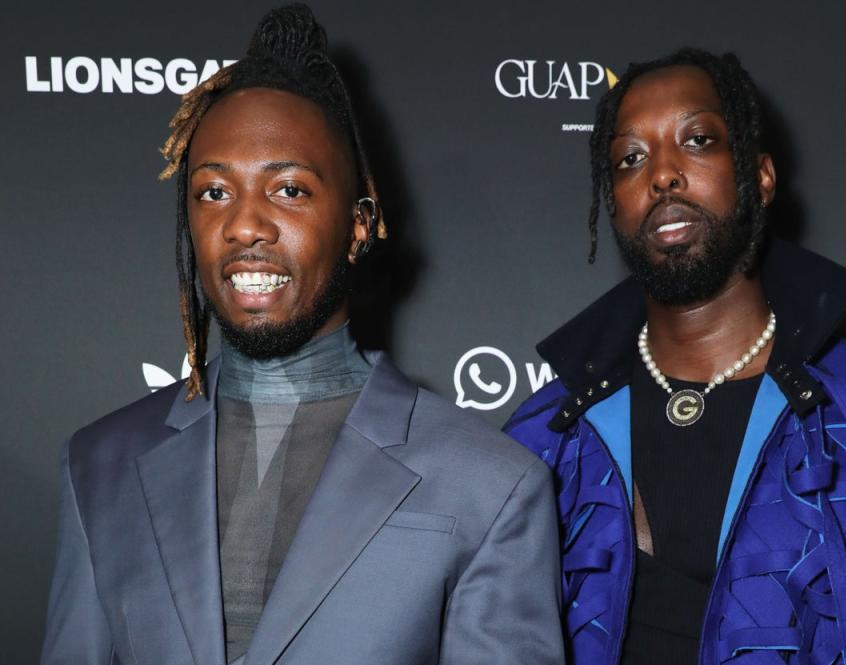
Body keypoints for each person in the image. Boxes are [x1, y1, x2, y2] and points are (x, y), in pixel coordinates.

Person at [40, 6, 563, 664]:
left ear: (358, 226)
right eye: (212, 192)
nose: (244, 225)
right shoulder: (101, 465)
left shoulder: (491, 484)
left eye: (288, 188)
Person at [505, 48, 846, 665]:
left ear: (761, 177)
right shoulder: (543, 442)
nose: (661, 174)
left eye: (696, 140)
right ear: (613, 203)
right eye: (630, 158)